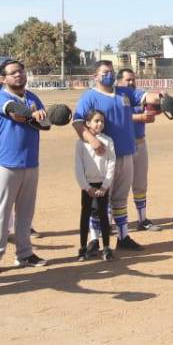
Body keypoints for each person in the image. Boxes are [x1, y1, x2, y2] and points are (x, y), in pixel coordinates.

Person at [72, 60, 164, 253]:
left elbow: (147, 96)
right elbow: (78, 122)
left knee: (120, 199)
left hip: (126, 153)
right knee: (100, 200)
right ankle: (94, 240)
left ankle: (123, 237)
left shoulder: (124, 92)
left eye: (112, 72)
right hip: (102, 157)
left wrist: (161, 97)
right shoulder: (89, 96)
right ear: (95, 76)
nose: (110, 75)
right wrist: (91, 139)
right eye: (105, 72)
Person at [0, 60, 49, 275]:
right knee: (1, 213)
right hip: (6, 164)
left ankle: (25, 253)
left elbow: (45, 123)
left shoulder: (33, 97)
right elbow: (14, 110)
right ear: (4, 78)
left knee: (25, 214)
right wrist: (32, 115)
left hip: (31, 162)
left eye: (20, 71)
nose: (18, 75)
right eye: (12, 73)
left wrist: (42, 116)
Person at [118, 69, 158, 231]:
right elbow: (117, 116)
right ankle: (109, 223)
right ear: (119, 81)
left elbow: (152, 108)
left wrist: (158, 105)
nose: (131, 82)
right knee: (116, 187)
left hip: (140, 143)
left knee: (141, 184)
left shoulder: (138, 95)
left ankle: (142, 219)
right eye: (127, 80)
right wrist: (139, 117)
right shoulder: (116, 96)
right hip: (121, 146)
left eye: (133, 79)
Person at [74, 109, 116, 261]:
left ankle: (106, 247)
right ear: (87, 123)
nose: (100, 124)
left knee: (103, 214)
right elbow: (78, 168)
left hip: (102, 185)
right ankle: (83, 247)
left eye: (102, 121)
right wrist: (87, 187)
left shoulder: (108, 141)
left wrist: (105, 185)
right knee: (85, 214)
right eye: (96, 121)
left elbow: (111, 163)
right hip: (88, 186)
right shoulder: (81, 144)